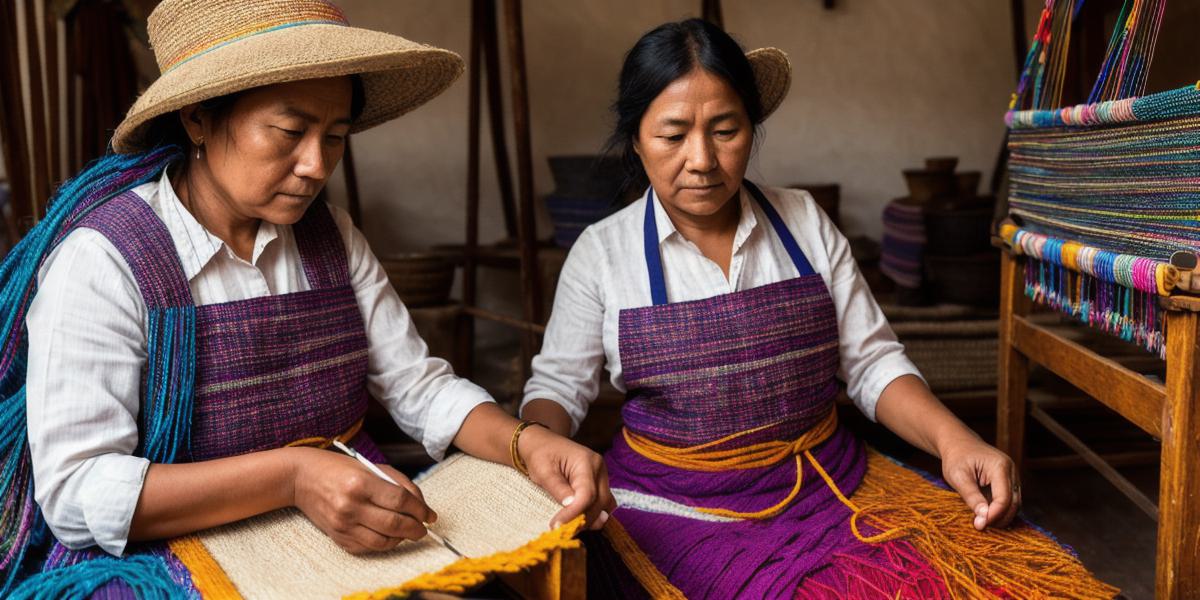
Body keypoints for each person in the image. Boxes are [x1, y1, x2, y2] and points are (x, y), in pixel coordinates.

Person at [0, 0, 612, 596]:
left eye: (336, 137)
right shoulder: (104, 260)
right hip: (175, 548)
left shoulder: (331, 236)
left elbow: (419, 390)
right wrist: (292, 477)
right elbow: (78, 495)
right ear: (198, 119)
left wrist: (525, 441)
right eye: (290, 131)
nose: (317, 165)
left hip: (345, 521)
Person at [521, 18, 1116, 598]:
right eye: (673, 135)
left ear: (752, 127)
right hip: (679, 506)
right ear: (635, 139)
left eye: (725, 130)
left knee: (1012, 575)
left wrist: (957, 442)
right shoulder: (602, 252)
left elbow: (872, 363)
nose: (701, 159)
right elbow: (558, 389)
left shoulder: (802, 219)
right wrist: (544, 452)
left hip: (831, 482)